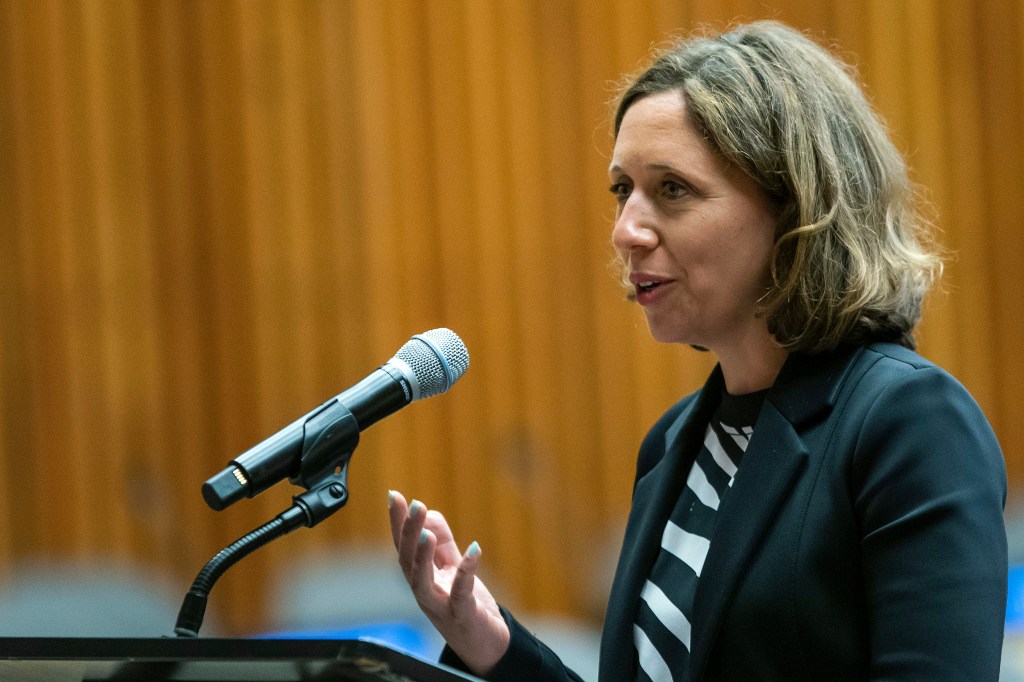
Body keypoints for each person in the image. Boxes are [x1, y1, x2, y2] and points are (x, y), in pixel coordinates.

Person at [387, 20, 1008, 681]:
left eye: (673, 189)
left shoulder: (906, 423)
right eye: (623, 189)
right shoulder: (674, 443)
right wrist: (495, 647)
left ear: (795, 207)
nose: (626, 231)